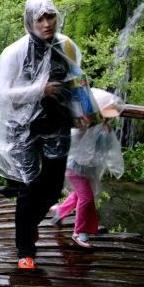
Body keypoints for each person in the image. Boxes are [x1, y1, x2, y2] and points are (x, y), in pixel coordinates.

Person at [0, 0, 82, 270]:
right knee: (29, 189)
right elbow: (0, 94)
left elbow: (78, 83)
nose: (46, 23)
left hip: (57, 126)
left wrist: (90, 115)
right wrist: (39, 90)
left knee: (52, 190)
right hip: (24, 131)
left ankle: (30, 226)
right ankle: (25, 249)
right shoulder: (15, 52)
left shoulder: (66, 47)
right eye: (39, 18)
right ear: (30, 21)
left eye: (50, 16)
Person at [51, 88, 125, 248]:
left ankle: (60, 211)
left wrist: (104, 133)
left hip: (86, 167)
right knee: (86, 198)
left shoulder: (103, 127)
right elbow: (74, 142)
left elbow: (104, 150)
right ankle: (79, 232)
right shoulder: (80, 123)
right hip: (74, 166)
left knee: (80, 195)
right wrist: (84, 126)